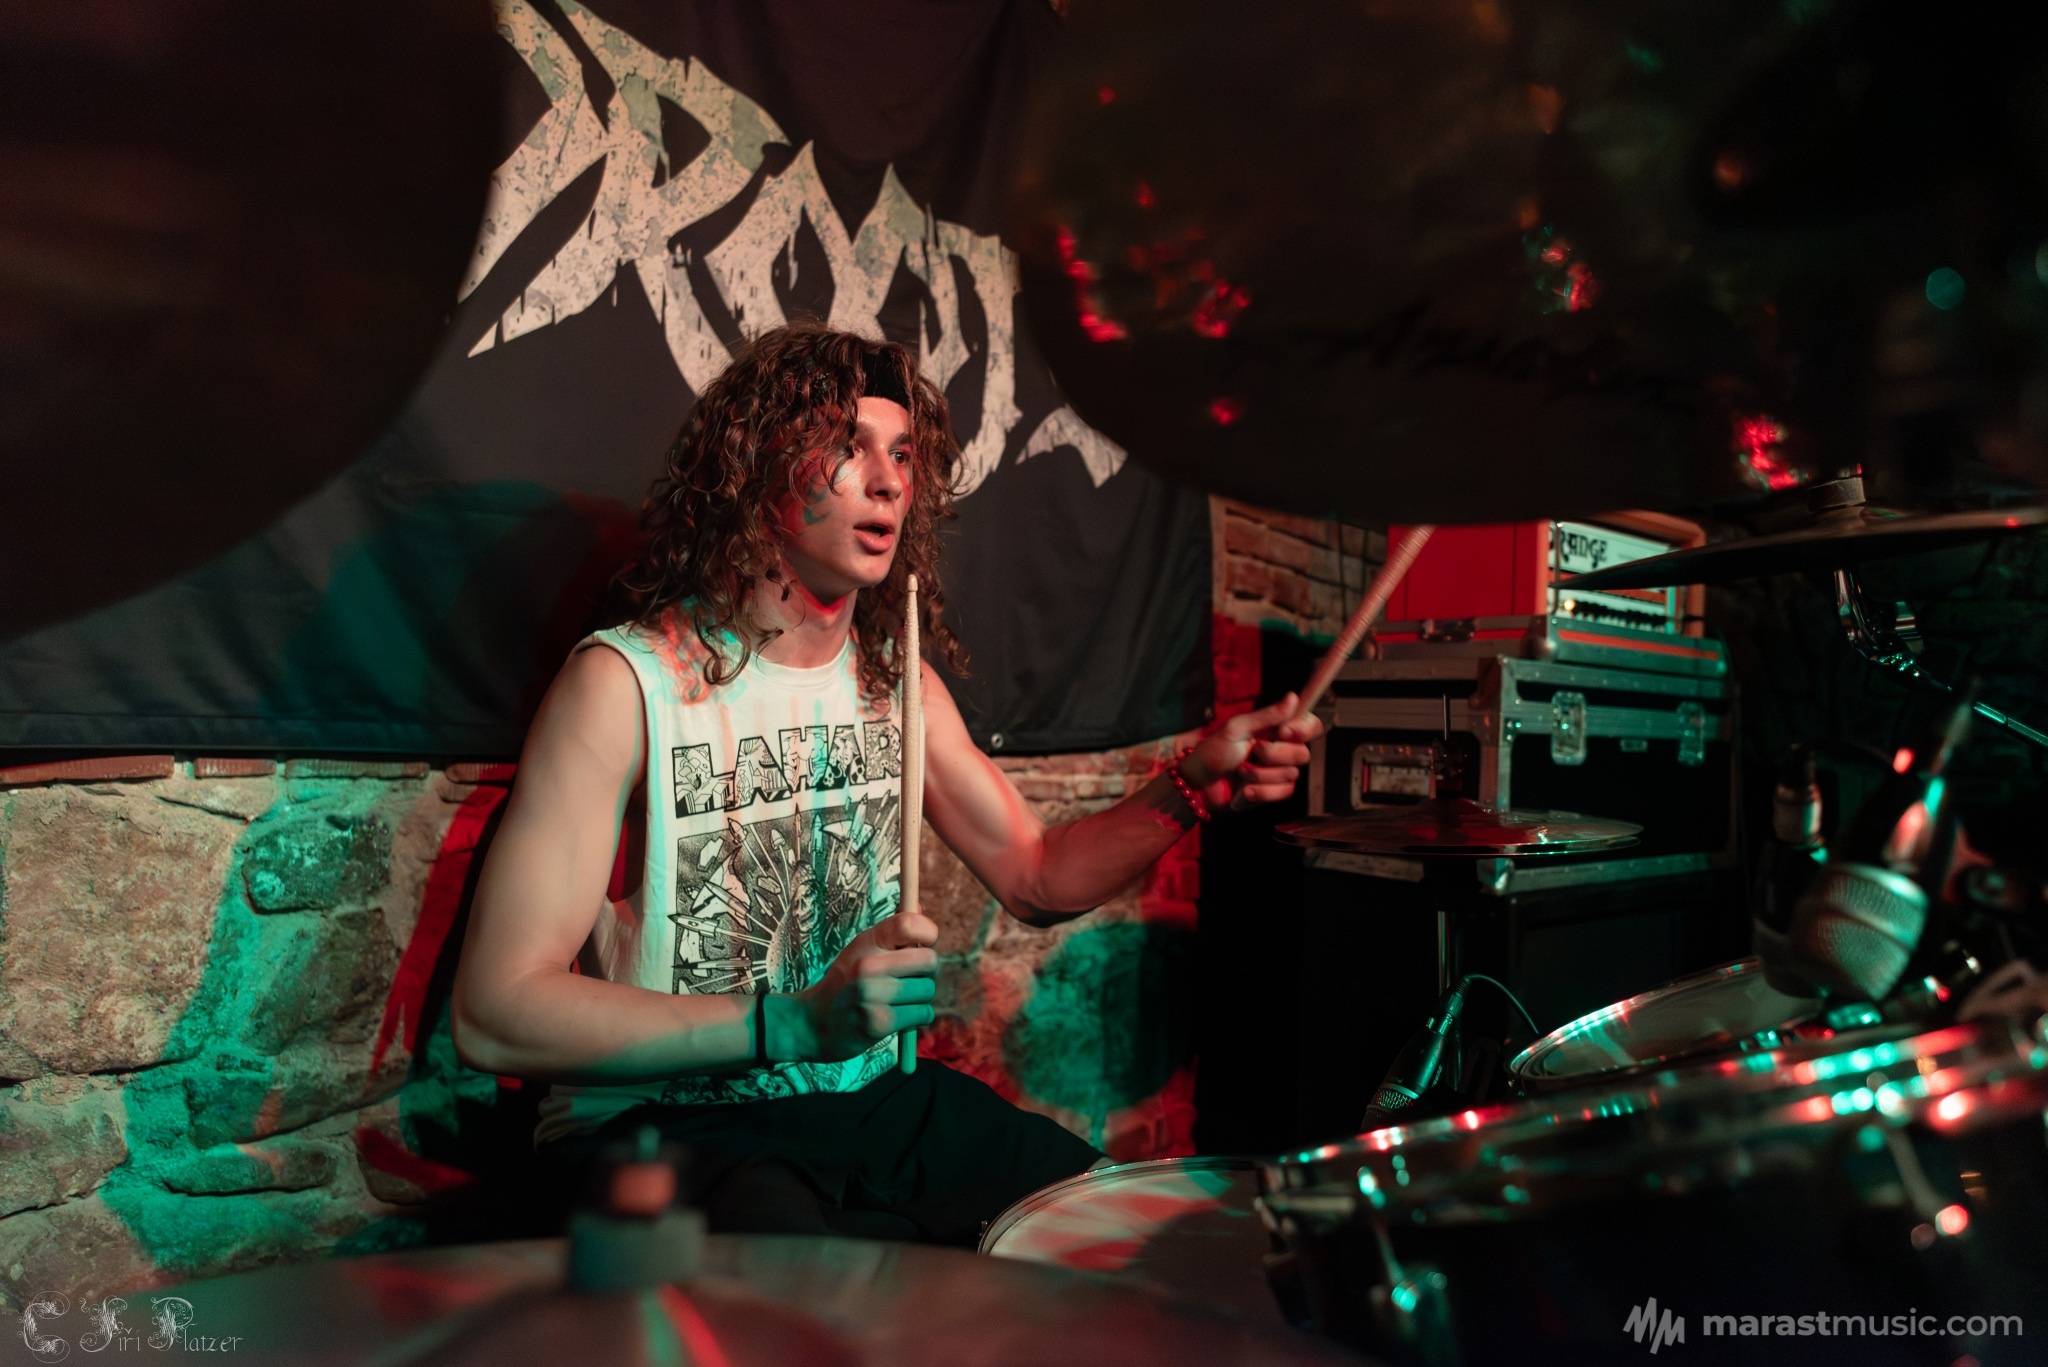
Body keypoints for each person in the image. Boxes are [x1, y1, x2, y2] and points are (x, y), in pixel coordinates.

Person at [451, 323, 1322, 1245]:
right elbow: (496, 1010)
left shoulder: (894, 684)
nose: (889, 481)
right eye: (846, 445)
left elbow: (1037, 874)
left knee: (1117, 1228)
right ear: (754, 466)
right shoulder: (626, 685)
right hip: (655, 1127)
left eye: (902, 454)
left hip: (864, 1105)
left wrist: (1191, 788)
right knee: (826, 1296)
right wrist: (789, 1027)